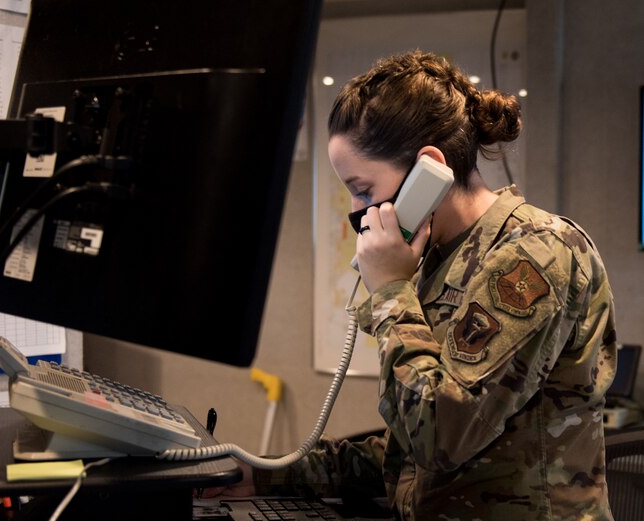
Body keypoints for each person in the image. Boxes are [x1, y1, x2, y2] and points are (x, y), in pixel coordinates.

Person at [219, 50, 618, 520]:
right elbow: (407, 454)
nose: (358, 211)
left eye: (365, 190)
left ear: (428, 168)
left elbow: (439, 437)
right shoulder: (438, 257)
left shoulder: (534, 255)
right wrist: (263, 474)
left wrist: (389, 290)